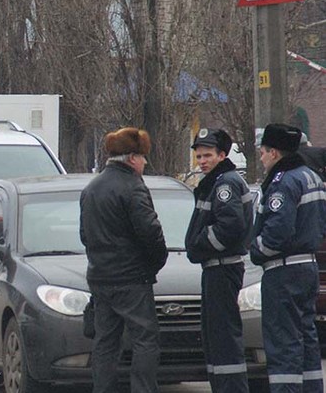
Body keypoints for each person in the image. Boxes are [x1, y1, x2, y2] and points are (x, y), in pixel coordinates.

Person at [79, 127, 168, 393]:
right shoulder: (133, 188)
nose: (144, 163)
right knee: (145, 341)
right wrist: (155, 263)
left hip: (100, 278)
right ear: (131, 158)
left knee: (105, 342)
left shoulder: (91, 189)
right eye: (142, 158)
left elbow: (85, 235)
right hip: (132, 280)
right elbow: (150, 233)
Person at [251, 123, 325, 393]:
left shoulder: (284, 182)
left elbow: (277, 232)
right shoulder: (311, 176)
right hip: (308, 267)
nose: (260, 157)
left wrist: (257, 250)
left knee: (283, 342)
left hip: (283, 272)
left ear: (274, 152)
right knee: (306, 337)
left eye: (263, 152)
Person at [184, 128, 253, 393]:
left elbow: (230, 227)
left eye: (208, 155)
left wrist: (199, 245)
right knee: (215, 336)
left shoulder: (224, 183)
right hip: (216, 269)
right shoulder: (215, 181)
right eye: (199, 156)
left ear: (222, 155)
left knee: (224, 337)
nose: (202, 161)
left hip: (222, 269)